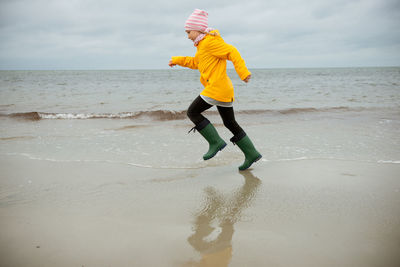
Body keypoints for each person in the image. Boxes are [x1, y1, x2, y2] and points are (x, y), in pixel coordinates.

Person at [169, 9, 261, 171]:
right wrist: (177, 60)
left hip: (216, 88)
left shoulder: (210, 42)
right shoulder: (203, 45)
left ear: (198, 30)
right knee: (229, 123)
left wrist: (243, 72)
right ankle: (251, 153)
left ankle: (215, 142)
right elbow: (197, 63)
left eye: (188, 32)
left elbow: (231, 51)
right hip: (223, 90)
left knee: (192, 112)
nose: (188, 36)